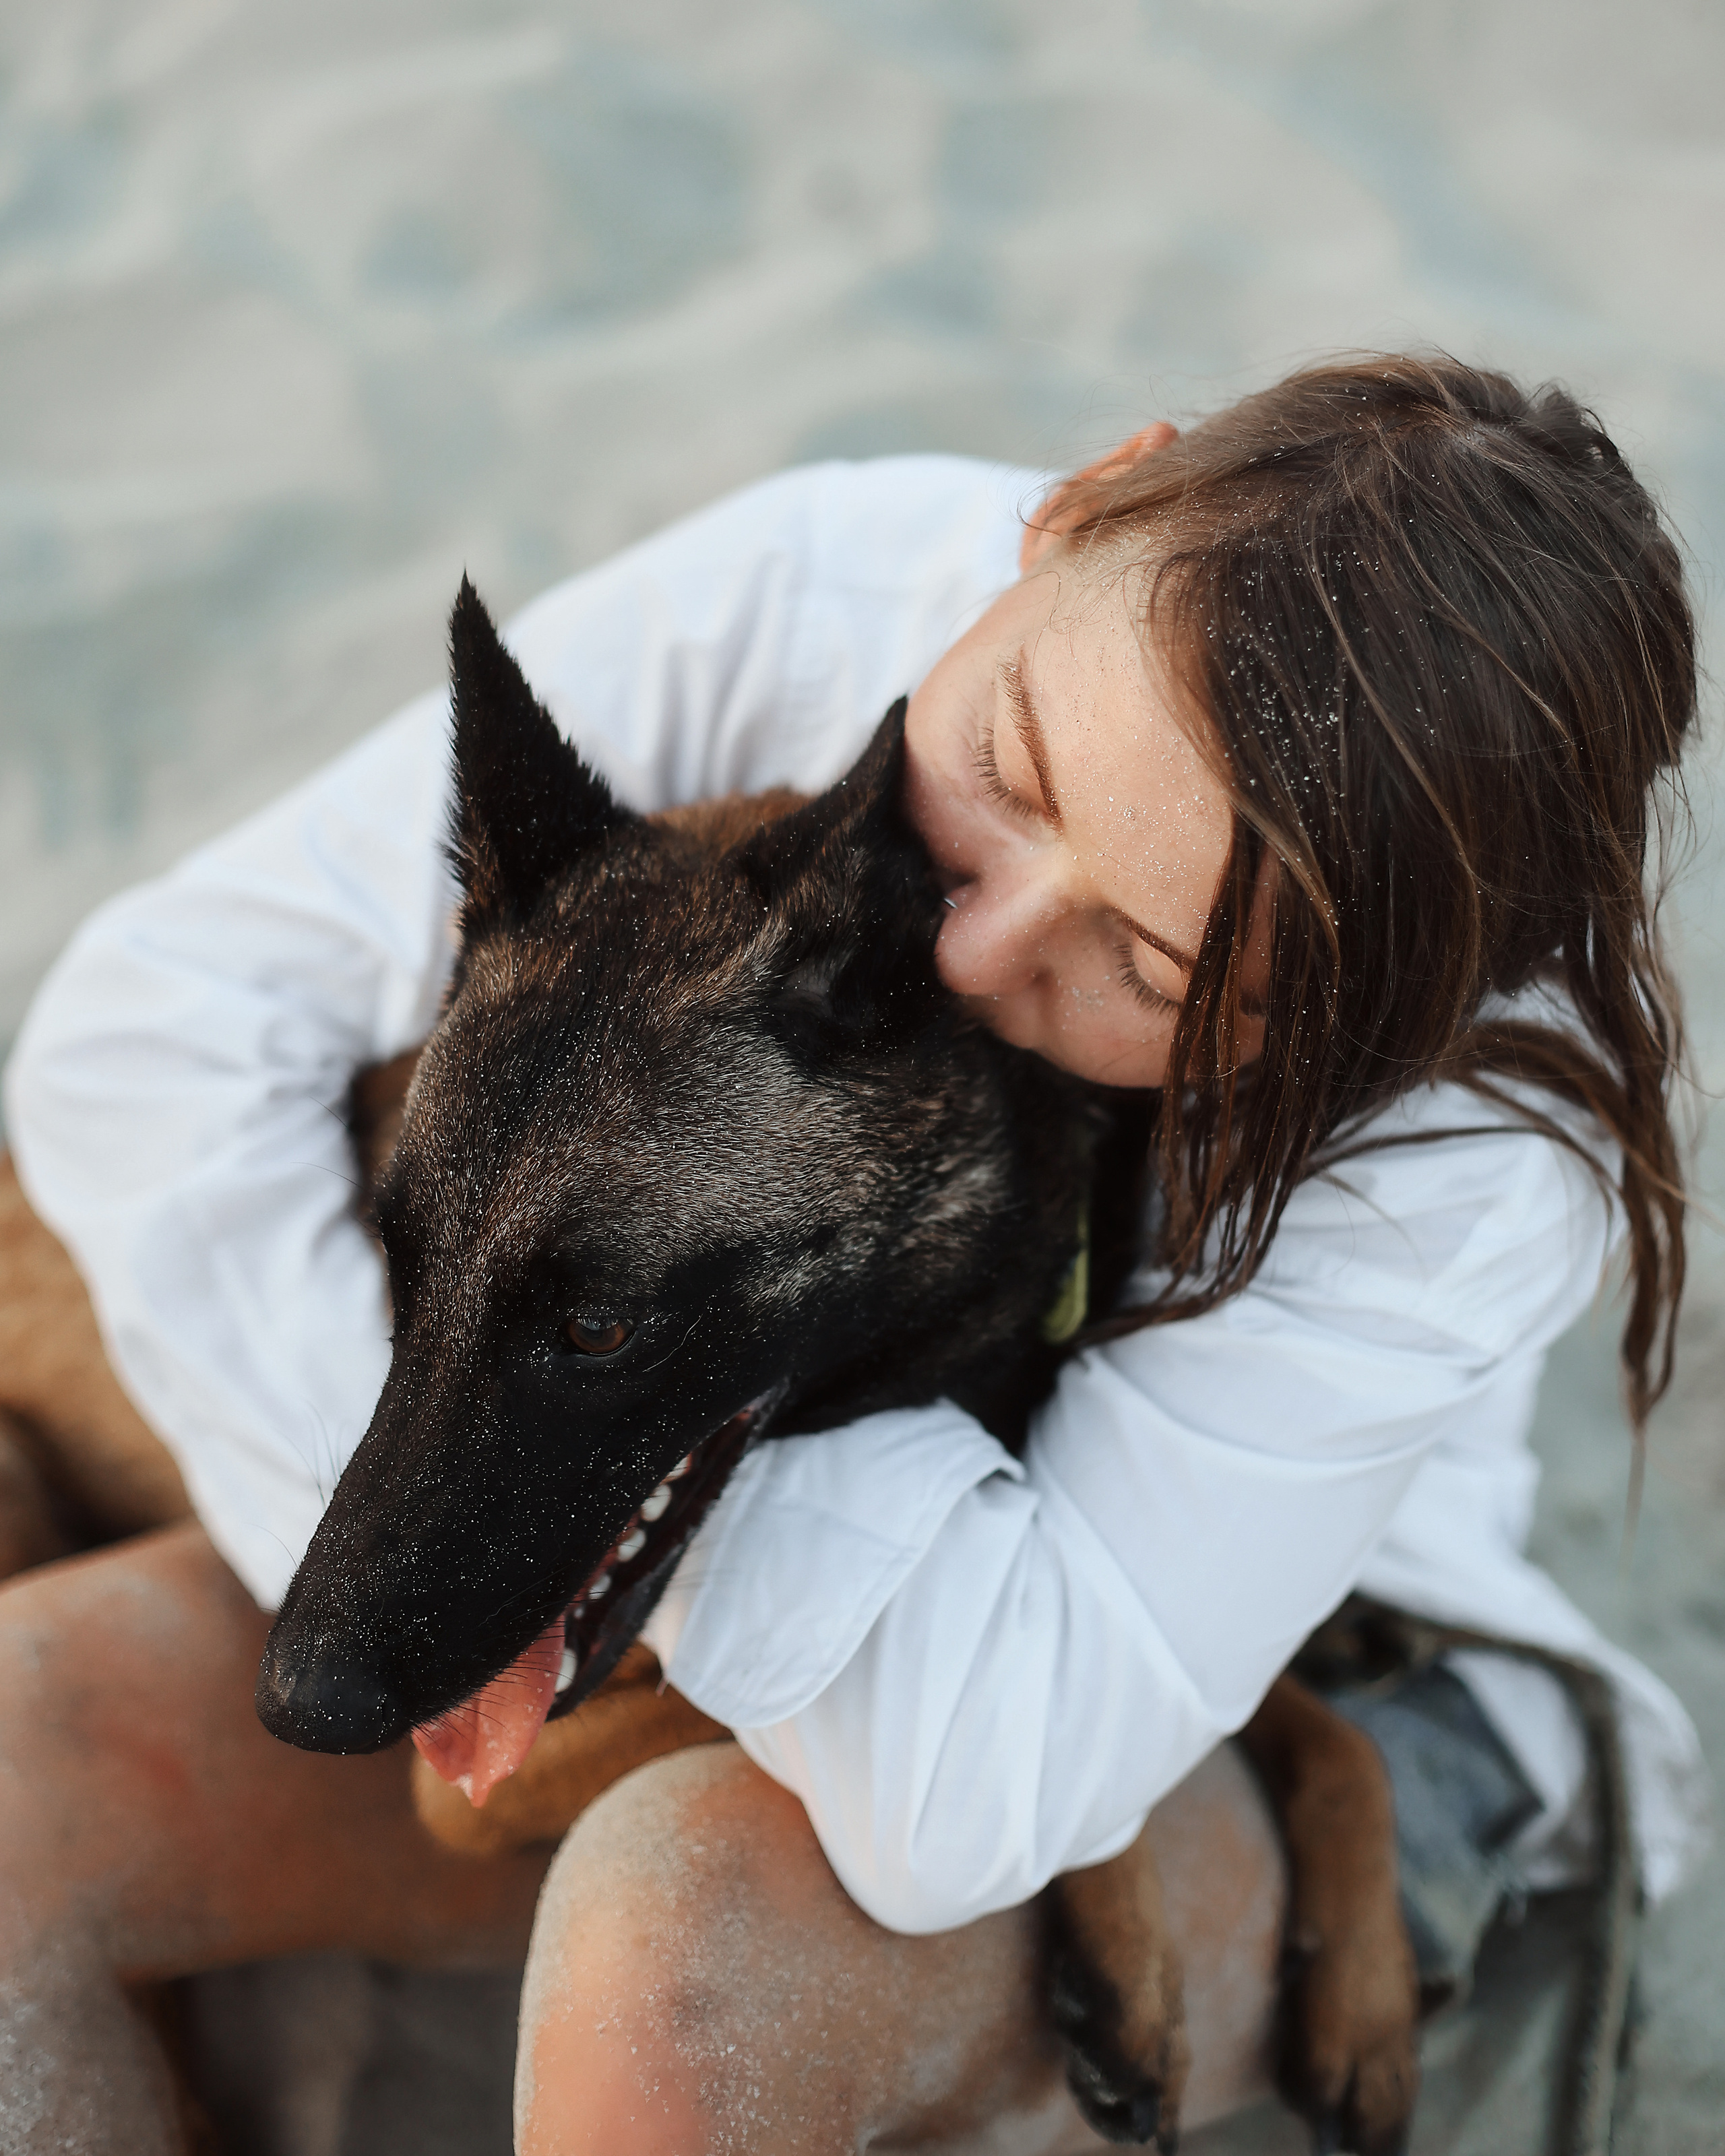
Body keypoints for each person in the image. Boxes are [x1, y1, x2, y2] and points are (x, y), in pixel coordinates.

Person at [0, 354, 1710, 2153]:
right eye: (1013, 764)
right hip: (594, 1533)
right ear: (1079, 506)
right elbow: (146, 1038)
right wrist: (440, 1538)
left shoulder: (1470, 1149)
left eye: (1148, 966)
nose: (969, 953)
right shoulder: (840, 595)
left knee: (673, 1949)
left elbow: (973, 1782)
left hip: (1223, 1650)